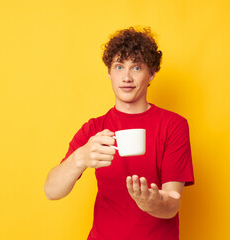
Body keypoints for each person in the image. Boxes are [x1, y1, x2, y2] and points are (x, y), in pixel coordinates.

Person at [44, 27, 194, 240]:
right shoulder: (94, 129)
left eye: (136, 67)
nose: (126, 77)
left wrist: (152, 204)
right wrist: (80, 158)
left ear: (151, 73)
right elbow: (52, 191)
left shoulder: (173, 125)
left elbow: (172, 205)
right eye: (119, 66)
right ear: (109, 73)